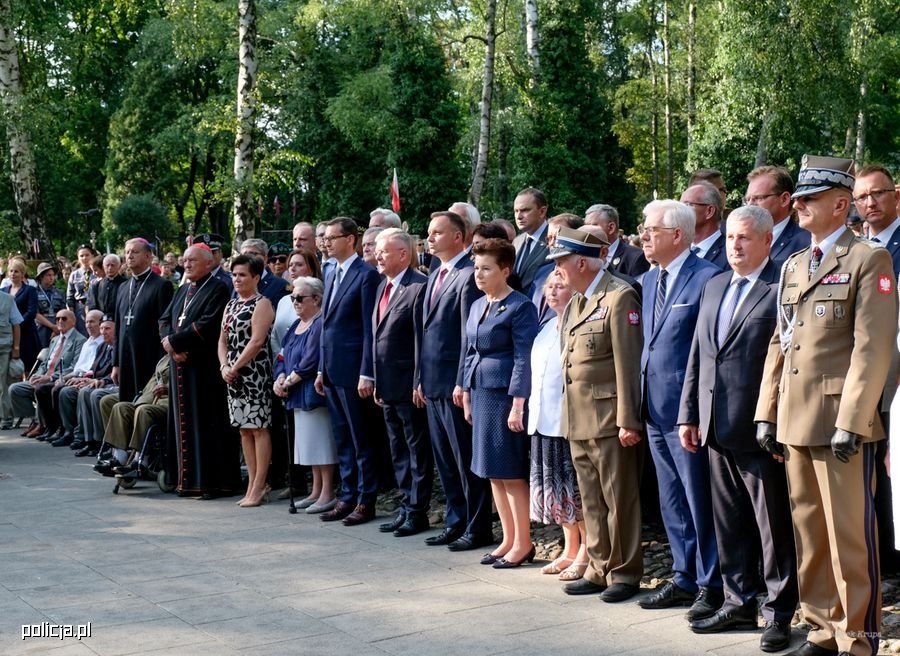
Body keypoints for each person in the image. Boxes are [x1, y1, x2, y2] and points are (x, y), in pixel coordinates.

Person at [755, 155, 895, 656]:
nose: (799, 205)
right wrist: (766, 411)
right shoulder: (795, 264)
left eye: (810, 199)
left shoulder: (867, 259)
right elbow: (781, 341)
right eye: (798, 198)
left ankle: (858, 636)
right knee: (810, 532)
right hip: (795, 418)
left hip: (840, 422)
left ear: (840, 204)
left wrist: (853, 421)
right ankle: (819, 628)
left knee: (849, 537)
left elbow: (873, 346)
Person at [677, 206, 798, 651]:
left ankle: (778, 611)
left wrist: (775, 420)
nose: (735, 246)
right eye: (730, 237)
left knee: (772, 526)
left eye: (744, 238)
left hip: (759, 429)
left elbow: (787, 360)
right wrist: (689, 413)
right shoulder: (715, 285)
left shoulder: (781, 287)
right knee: (728, 522)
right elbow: (699, 354)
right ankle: (738, 601)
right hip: (714, 426)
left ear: (767, 240)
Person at [549, 227, 644, 602]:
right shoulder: (577, 301)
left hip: (609, 417)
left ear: (582, 263)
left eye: (562, 262)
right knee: (591, 498)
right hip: (578, 416)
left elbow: (628, 363)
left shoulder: (619, 296)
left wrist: (628, 419)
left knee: (619, 499)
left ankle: (624, 572)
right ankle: (599, 566)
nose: (557, 270)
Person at [638, 199, 723, 620]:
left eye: (651, 229)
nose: (643, 235)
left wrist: (693, 410)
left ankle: (712, 583)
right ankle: (683, 574)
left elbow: (705, 353)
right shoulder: (648, 279)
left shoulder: (708, 278)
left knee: (699, 500)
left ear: (677, 235)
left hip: (687, 412)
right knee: (671, 499)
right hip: (654, 409)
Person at [417, 210, 491, 551]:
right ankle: (455, 520)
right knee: (445, 461)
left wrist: (463, 382)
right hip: (432, 382)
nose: (430, 238)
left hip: (454, 384)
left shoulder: (467, 275)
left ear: (459, 237)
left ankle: (477, 527)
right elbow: (426, 332)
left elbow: (467, 335)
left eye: (437, 232)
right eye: (429, 232)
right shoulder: (436, 273)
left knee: (464, 460)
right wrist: (420, 378)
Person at [461, 239, 538, 568]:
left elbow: (523, 358)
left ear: (505, 270)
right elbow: (470, 351)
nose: (478, 274)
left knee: (511, 472)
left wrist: (518, 404)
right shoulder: (478, 304)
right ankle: (507, 539)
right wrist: (466, 391)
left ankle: (523, 543)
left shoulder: (520, 306)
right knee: (492, 471)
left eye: (486, 268)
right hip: (481, 393)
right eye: (476, 268)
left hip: (505, 397)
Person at [313, 217, 381, 526]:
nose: (326, 243)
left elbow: (369, 329)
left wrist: (367, 372)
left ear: (351, 239)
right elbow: (326, 324)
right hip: (331, 369)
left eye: (332, 238)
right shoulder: (330, 271)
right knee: (342, 438)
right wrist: (320, 369)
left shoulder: (366, 275)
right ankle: (347, 495)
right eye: (325, 238)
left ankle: (366, 500)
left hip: (354, 371)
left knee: (361, 438)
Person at [161, 244, 238, 499]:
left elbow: (208, 324)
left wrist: (176, 342)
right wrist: (170, 346)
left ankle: (212, 483)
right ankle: (185, 481)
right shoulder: (183, 289)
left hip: (204, 369)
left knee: (207, 425)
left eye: (192, 260)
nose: (187, 264)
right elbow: (164, 319)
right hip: (179, 365)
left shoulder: (218, 288)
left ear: (209, 263)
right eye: (185, 260)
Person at [371, 229, 432, 537]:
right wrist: (376, 380)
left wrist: (418, 380)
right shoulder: (383, 286)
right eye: (377, 251)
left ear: (403, 254)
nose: (377, 256)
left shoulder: (418, 286)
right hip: (388, 384)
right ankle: (406, 505)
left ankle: (418, 511)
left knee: (416, 449)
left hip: (409, 384)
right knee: (398, 450)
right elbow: (378, 338)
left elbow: (421, 340)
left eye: (384, 251)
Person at [527, 271, 587, 581]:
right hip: (543, 419)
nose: (551, 291)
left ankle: (586, 550)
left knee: (576, 490)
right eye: (548, 286)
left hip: (568, 421)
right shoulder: (546, 326)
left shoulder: (579, 323)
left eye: (559, 286)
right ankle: (569, 547)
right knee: (558, 490)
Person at [274, 276, 337, 513]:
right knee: (308, 445)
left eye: (300, 298)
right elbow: (282, 355)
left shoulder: (319, 323)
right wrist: (279, 377)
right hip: (295, 393)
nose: (295, 302)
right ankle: (315, 490)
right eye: (292, 298)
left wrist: (288, 381)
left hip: (312, 393)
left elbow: (310, 361)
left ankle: (327, 492)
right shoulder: (295, 326)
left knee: (321, 443)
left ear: (317, 299)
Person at [218, 254, 274, 507]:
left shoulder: (262, 303)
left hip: (254, 374)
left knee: (258, 428)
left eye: (242, 275)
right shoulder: (231, 305)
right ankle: (251, 483)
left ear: (256, 277)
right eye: (234, 274)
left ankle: (260, 485)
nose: (237, 279)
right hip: (233, 376)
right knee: (243, 429)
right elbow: (222, 340)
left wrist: (236, 366)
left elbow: (257, 341)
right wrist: (224, 366)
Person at [111, 238, 174, 405]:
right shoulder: (123, 287)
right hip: (125, 359)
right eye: (127, 252)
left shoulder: (161, 286)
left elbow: (165, 326)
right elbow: (118, 328)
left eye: (135, 252)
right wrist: (115, 363)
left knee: (143, 406)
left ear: (148, 256)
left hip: (149, 357)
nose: (129, 256)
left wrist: (162, 367)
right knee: (125, 406)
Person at [11, 309, 86, 436]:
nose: (60, 321)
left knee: (41, 389)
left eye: (64, 318)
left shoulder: (80, 340)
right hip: (43, 378)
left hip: (58, 380)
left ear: (73, 322)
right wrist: (37, 375)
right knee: (15, 389)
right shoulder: (54, 340)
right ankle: (36, 420)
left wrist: (50, 378)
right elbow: (45, 363)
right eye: (57, 319)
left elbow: (74, 367)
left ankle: (42, 424)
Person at [38, 309, 105, 446]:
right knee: (48, 388)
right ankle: (57, 428)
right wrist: (64, 377)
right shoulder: (88, 342)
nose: (88, 325)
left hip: (90, 379)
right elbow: (77, 368)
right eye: (86, 322)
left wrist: (78, 378)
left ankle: (71, 432)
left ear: (100, 323)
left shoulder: (101, 343)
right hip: (78, 376)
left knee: (64, 391)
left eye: (92, 322)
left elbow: (92, 370)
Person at [54, 314, 116, 451]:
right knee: (66, 390)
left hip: (110, 384)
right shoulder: (102, 347)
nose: (103, 332)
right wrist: (85, 379)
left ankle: (97, 440)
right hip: (96, 381)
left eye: (107, 329)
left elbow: (116, 372)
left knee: (89, 393)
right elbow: (93, 369)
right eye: (102, 329)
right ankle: (82, 437)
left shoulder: (120, 347)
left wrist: (99, 380)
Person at [744, 165, 810, 270]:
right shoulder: (738, 240)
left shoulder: (806, 242)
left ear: (784, 199)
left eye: (758, 198)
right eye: (747, 199)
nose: (750, 205)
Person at [271, 250, 322, 353]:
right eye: (290, 265)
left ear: (312, 269)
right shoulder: (284, 301)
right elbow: (274, 336)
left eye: (299, 265)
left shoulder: (319, 299)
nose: (292, 269)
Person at [585, 204, 650, 277]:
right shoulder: (584, 256)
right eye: (586, 226)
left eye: (593, 226)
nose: (586, 231)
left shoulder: (635, 257)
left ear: (611, 228)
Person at [681, 182, 728, 269]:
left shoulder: (730, 252)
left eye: (687, 204)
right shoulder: (678, 249)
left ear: (709, 211)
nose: (679, 210)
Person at [512, 187, 551, 291]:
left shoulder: (555, 240)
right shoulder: (516, 242)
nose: (519, 216)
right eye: (516, 211)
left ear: (542, 211)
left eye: (525, 210)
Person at [5, 259, 39, 374]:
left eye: (16, 271)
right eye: (11, 271)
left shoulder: (30, 290)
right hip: (7, 335)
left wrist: (16, 324)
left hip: (26, 334)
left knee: (27, 368)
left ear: (22, 274)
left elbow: (31, 312)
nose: (13, 274)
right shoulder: (3, 291)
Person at [240, 238, 292, 306]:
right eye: (245, 255)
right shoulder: (235, 283)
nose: (248, 258)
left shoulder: (281, 285)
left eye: (253, 254)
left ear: (265, 259)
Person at [0, 289, 23, 430]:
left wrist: (16, 348)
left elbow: (16, 324)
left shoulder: (8, 299)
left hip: (3, 348)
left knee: (3, 383)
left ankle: (6, 417)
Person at [34, 263, 66, 347]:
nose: (52, 278)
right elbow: (35, 314)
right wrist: (52, 326)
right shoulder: (34, 292)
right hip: (41, 326)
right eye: (48, 275)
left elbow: (63, 312)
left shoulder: (59, 292)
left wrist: (57, 328)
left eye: (53, 275)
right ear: (41, 277)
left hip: (58, 325)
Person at [66, 244, 96, 332]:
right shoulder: (74, 275)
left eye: (87, 255)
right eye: (81, 256)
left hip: (95, 307)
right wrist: (71, 315)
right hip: (79, 308)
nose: (84, 258)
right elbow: (70, 297)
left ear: (92, 256)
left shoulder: (97, 272)